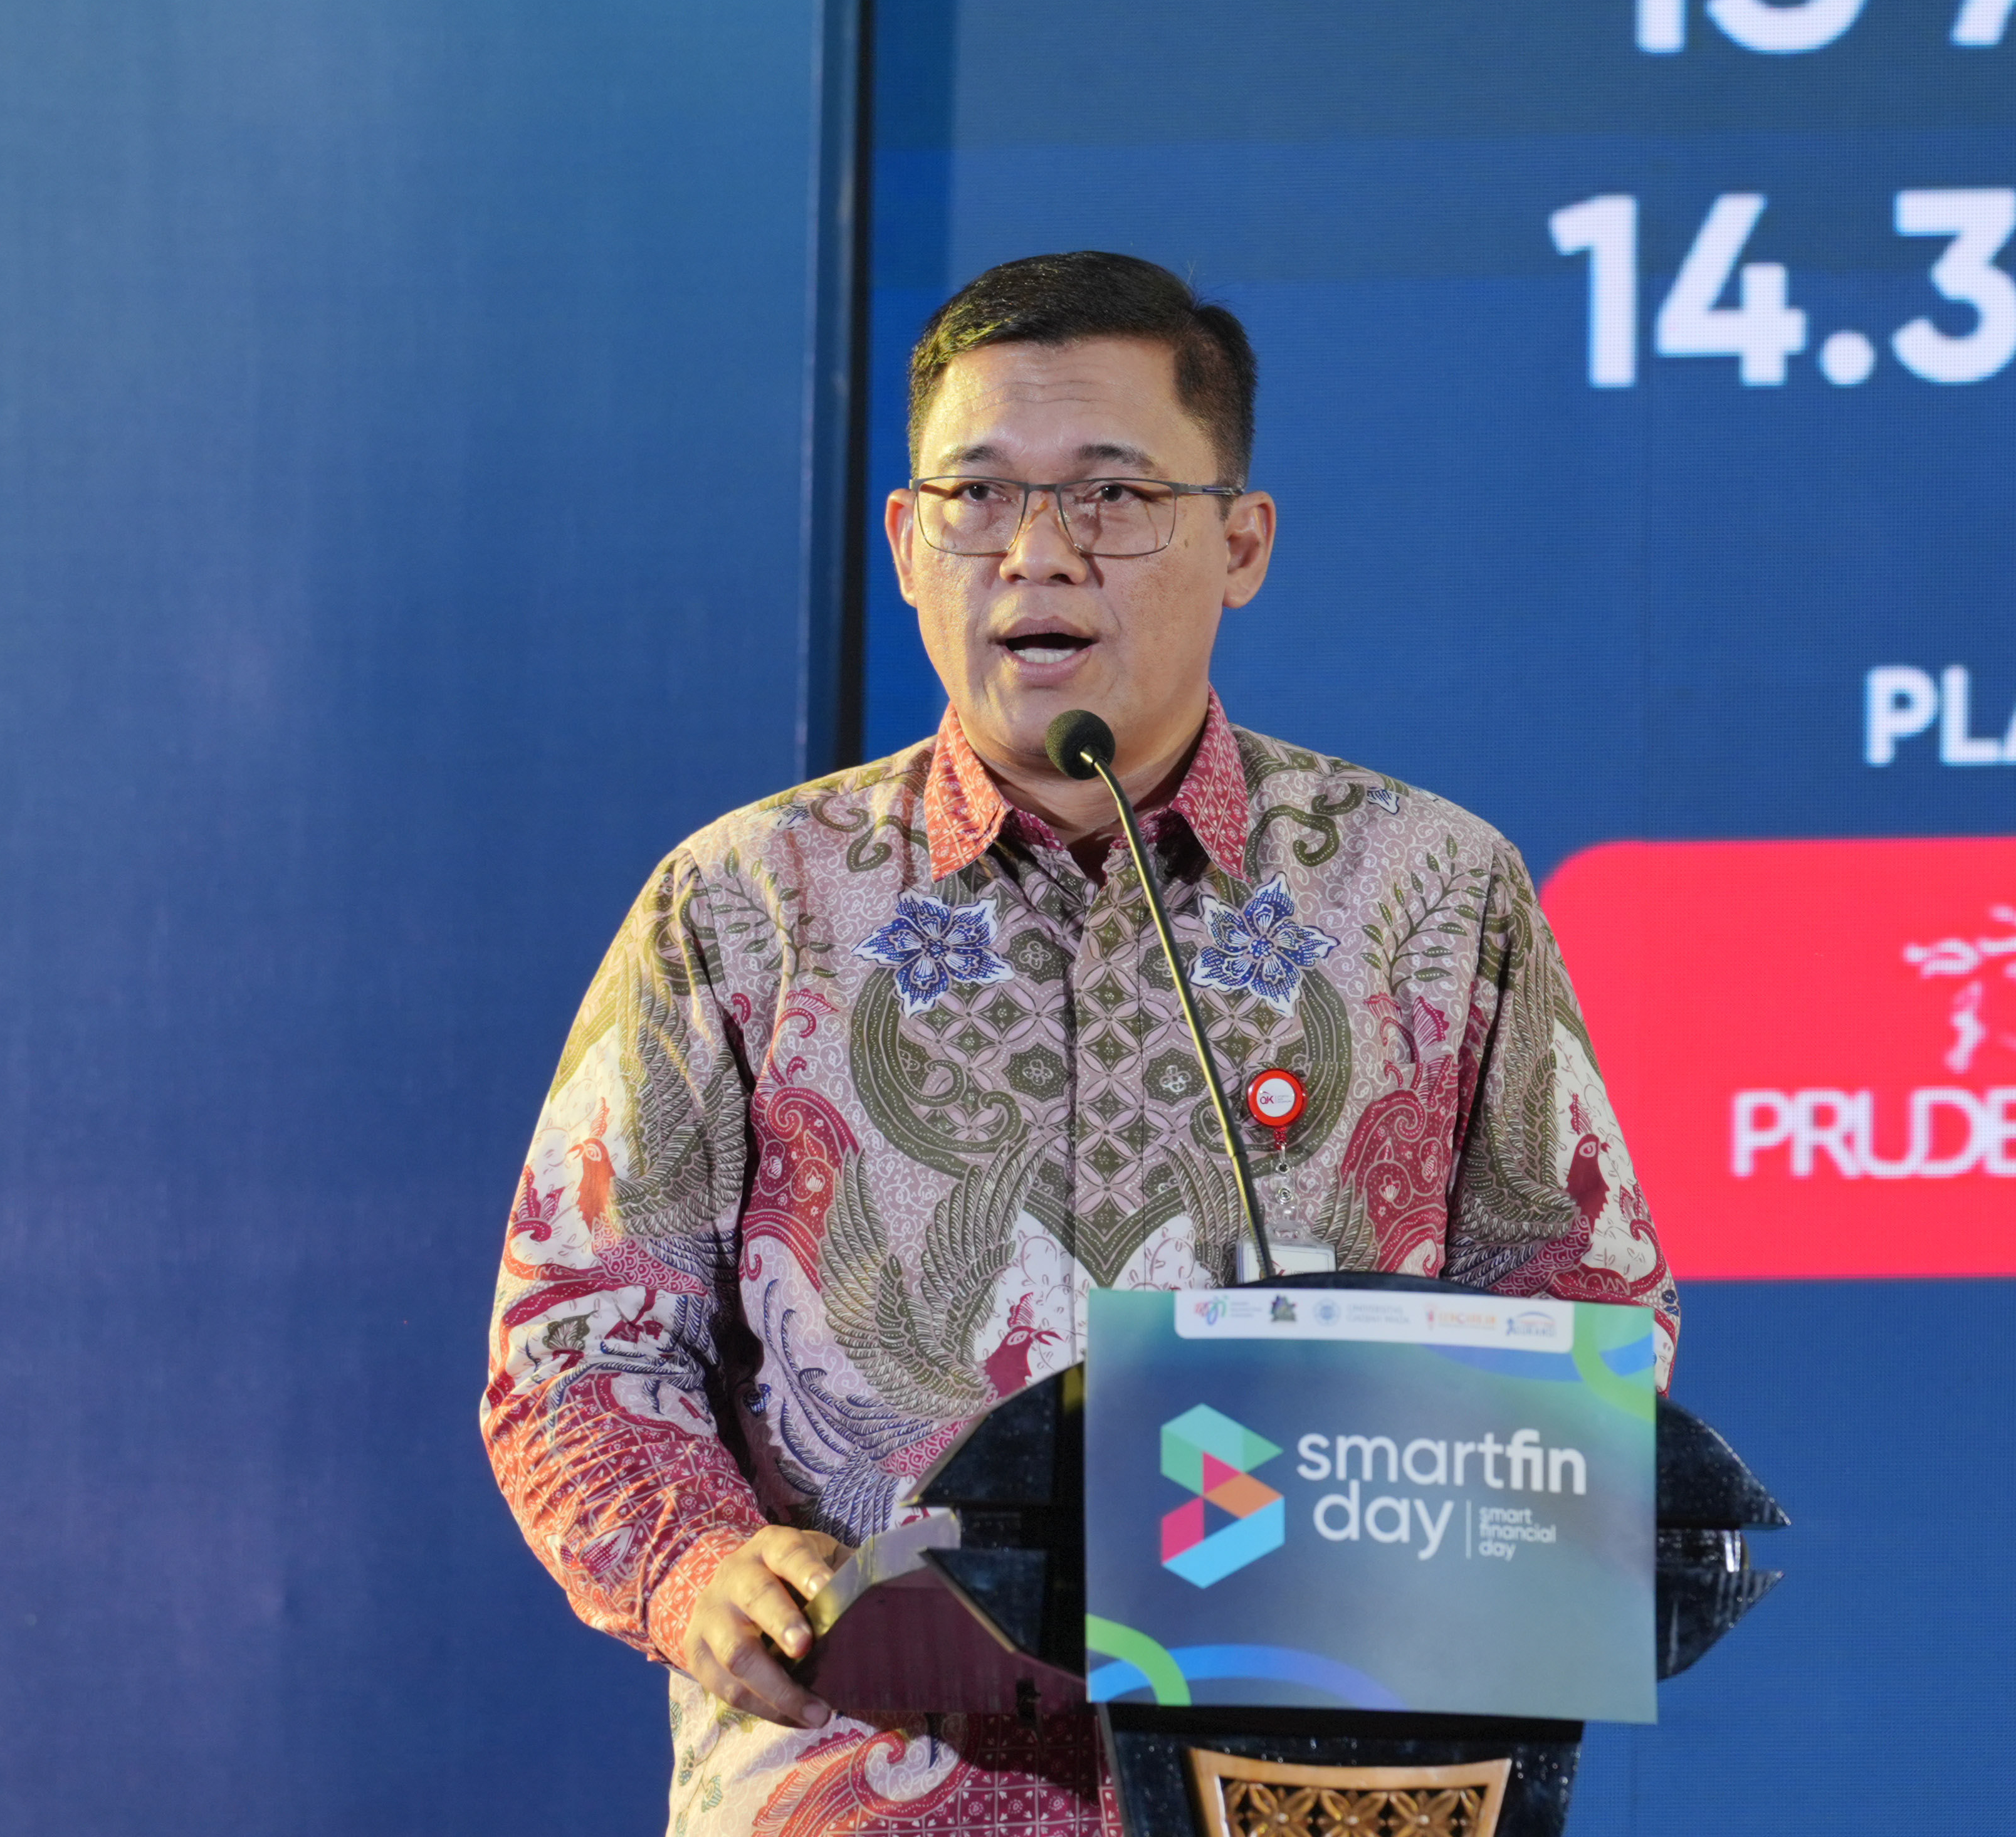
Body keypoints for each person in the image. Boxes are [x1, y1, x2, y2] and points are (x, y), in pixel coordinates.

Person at [483, 251, 1677, 1837]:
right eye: (978, 495)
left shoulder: (1432, 892)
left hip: (1310, 1792)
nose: (1038, 552)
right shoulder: (743, 905)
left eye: (1113, 496)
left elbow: (1580, 1297)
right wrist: (701, 1564)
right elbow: (577, 1343)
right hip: (866, 1790)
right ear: (906, 542)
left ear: (1241, 542)